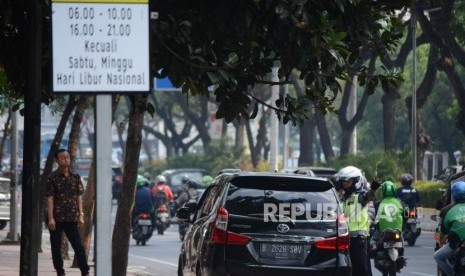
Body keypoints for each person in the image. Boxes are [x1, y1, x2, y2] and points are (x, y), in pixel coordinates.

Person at [45, 148, 90, 276]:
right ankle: (60, 272)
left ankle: (85, 271)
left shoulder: (75, 176)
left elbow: (78, 197)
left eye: (67, 157)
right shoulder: (52, 177)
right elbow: (50, 198)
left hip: (71, 217)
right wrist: (50, 218)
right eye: (63, 157)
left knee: (79, 246)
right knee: (56, 248)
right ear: (57, 160)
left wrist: (80, 215)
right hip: (56, 217)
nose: (66, 159)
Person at [336, 165, 381, 276]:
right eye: (343, 182)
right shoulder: (342, 199)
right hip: (344, 240)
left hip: (358, 240)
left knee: (361, 270)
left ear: (356, 181)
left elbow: (368, 196)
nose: (345, 184)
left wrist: (373, 189)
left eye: (348, 182)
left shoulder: (359, 197)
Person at [434, 181, 465, 276]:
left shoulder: (448, 210)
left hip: (456, 244)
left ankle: (452, 274)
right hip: (458, 246)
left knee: (438, 256)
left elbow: (443, 231)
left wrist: (441, 240)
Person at [370, 181, 404, 251]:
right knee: (401, 238)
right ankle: (401, 252)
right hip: (397, 230)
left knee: (373, 240)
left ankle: (374, 246)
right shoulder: (399, 203)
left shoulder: (378, 204)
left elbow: (373, 216)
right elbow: (404, 214)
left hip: (382, 230)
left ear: (383, 191)